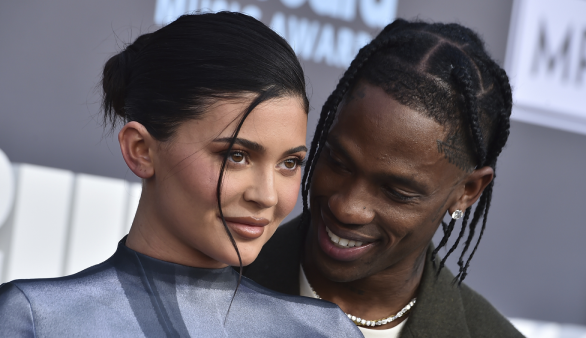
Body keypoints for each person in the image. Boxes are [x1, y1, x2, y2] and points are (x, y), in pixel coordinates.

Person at [0, 12, 362, 337]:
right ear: (141, 150)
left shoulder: (324, 332)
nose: (267, 196)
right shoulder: (37, 319)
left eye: (289, 163)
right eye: (236, 155)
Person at [245, 19, 525, 338]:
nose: (347, 208)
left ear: (467, 191)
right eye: (338, 162)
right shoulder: (209, 280)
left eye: (396, 192)